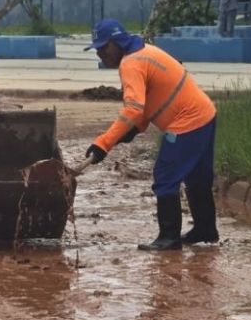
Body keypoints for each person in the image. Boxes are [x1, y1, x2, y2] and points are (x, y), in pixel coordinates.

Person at [84, 19, 219, 251]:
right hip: (205, 115)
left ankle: (169, 237)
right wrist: (134, 129)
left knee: (166, 175)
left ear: (117, 43)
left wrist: (103, 144)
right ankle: (205, 229)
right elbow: (149, 103)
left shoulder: (131, 63)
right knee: (197, 177)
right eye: (97, 49)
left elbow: (133, 109)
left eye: (104, 48)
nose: (100, 54)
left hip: (187, 122)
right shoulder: (145, 51)